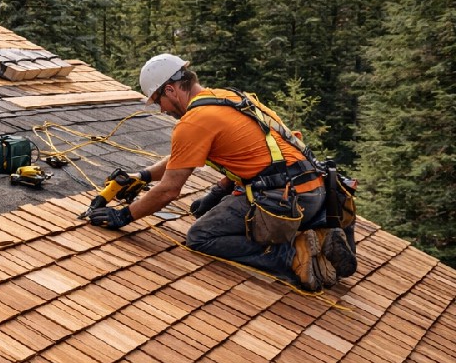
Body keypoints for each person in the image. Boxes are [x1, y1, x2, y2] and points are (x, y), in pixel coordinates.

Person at [87, 54, 356, 291]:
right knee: (229, 211)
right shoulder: (231, 98)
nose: (161, 109)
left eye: (159, 101)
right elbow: (262, 154)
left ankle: (291, 255)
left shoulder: (193, 123)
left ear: (171, 90)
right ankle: (316, 232)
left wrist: (124, 215)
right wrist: (144, 177)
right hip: (317, 192)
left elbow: (170, 189)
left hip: (284, 201)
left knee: (201, 237)